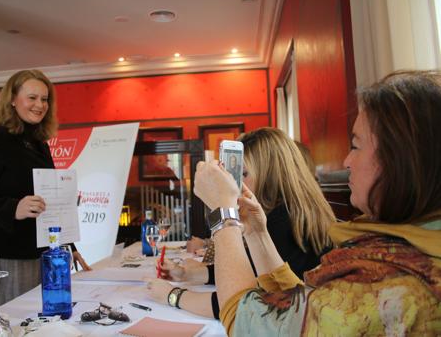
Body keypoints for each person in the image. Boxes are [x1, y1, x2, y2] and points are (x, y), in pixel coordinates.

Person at [193, 70, 441, 336]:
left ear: (399, 160)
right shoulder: (401, 246)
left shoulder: (392, 282)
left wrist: (223, 215)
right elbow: (298, 307)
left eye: (355, 146)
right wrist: (256, 231)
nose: (346, 161)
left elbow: (248, 323)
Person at [146, 127, 335, 319]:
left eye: (242, 174)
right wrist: (186, 274)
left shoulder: (283, 222)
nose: (234, 183)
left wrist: (172, 296)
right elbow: (250, 272)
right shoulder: (294, 212)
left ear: (271, 176)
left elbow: (238, 305)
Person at [0, 70, 91, 322]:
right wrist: (12, 208)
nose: (40, 105)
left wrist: (67, 245)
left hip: (37, 254)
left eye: (44, 99)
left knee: (34, 326)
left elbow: (46, 203)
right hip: (4, 256)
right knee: (9, 326)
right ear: (12, 99)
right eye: (32, 98)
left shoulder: (39, 144)